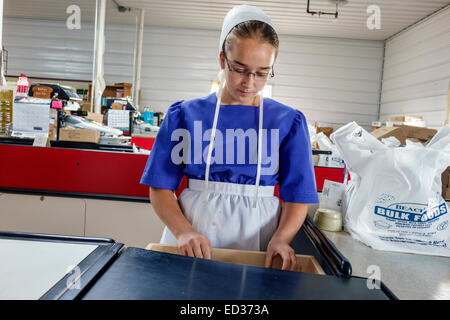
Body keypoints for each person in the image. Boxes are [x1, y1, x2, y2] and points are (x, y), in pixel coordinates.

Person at [140, 5, 318, 272]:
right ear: (223, 60)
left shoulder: (287, 122)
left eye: (261, 73)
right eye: (239, 69)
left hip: (259, 242)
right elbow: (160, 188)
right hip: (192, 239)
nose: (249, 83)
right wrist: (183, 232)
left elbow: (297, 198)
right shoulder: (185, 115)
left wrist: (282, 238)